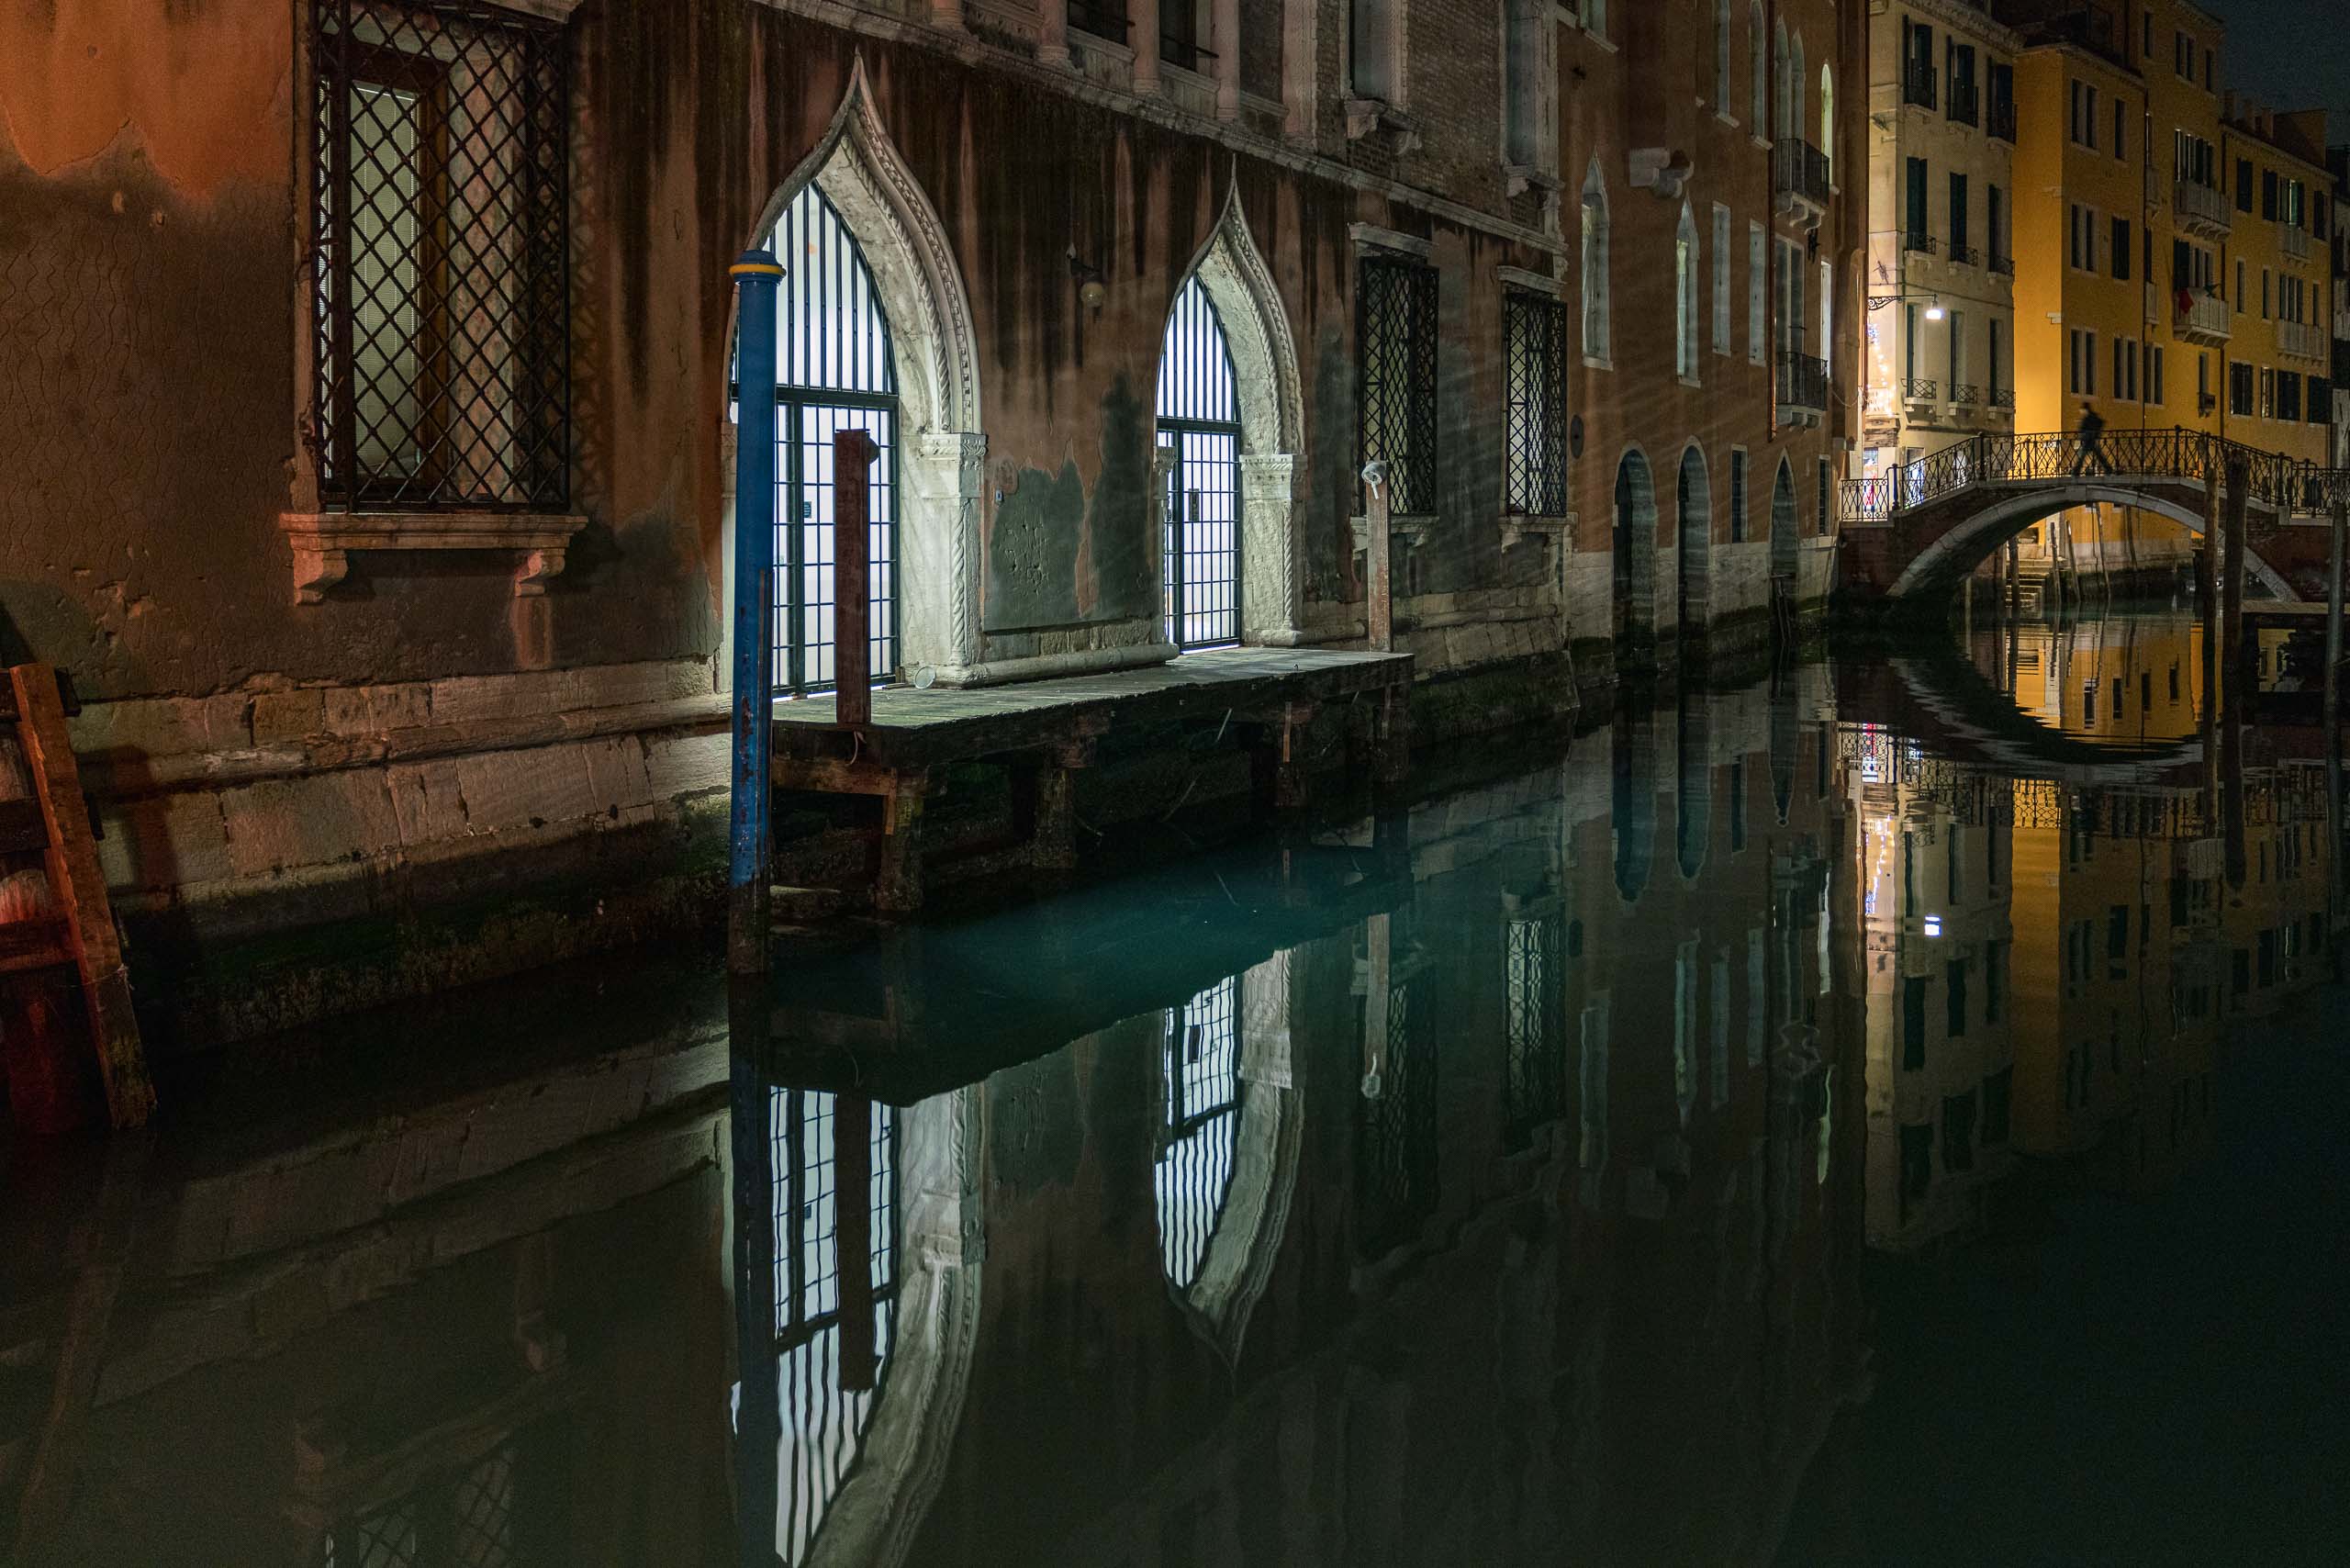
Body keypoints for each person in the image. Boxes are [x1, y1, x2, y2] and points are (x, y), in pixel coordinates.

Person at [2073, 401, 2111, 476]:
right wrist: (2097, 433)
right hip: (2091, 439)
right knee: (2098, 455)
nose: (2081, 412)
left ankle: (2076, 471)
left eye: (2082, 410)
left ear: (2085, 409)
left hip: (2088, 439)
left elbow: (2082, 429)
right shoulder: (2092, 416)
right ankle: (2108, 468)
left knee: (2082, 455)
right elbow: (2101, 422)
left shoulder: (2088, 417)